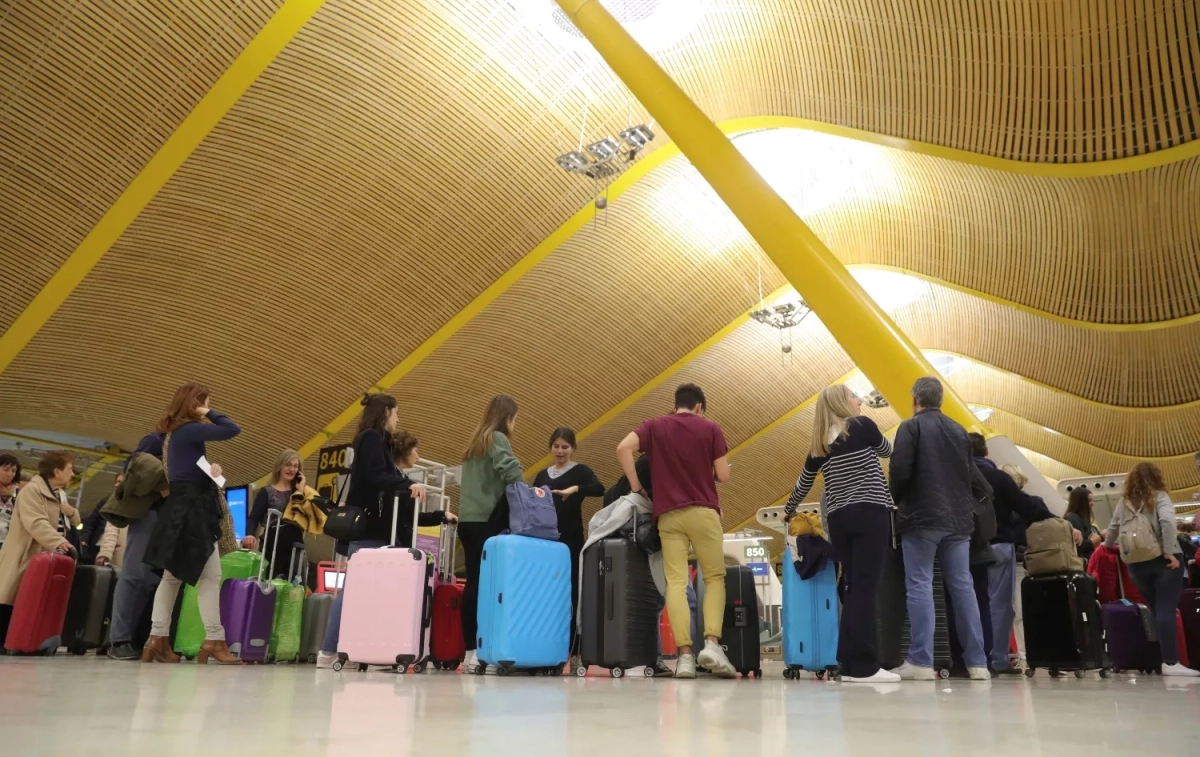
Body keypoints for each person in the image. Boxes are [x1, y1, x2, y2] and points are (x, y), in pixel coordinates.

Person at [316, 396, 455, 668]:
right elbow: (376, 476)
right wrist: (406, 486)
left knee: (362, 593)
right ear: (386, 412)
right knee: (352, 592)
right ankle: (328, 649)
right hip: (366, 529)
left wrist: (408, 488)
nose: (398, 418)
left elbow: (384, 478)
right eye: (396, 413)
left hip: (377, 531)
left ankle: (351, 648)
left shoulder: (376, 442)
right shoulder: (370, 438)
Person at [616, 383, 736, 679]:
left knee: (676, 583)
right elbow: (722, 474)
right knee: (714, 577)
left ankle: (683, 657)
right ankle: (711, 644)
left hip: (668, 516)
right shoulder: (711, 428)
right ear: (699, 407)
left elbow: (623, 448)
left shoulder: (655, 426)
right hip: (704, 513)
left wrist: (636, 487)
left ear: (676, 404)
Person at [783, 384, 899, 683]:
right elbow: (889, 452)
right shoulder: (861, 426)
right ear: (841, 403)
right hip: (869, 513)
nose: (859, 401)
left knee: (850, 588)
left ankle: (847, 663)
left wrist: (788, 509)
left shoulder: (819, 444)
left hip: (839, 519)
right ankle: (865, 667)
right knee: (865, 589)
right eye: (853, 397)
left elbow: (803, 482)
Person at [888, 377, 992, 681]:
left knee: (919, 584)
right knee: (963, 587)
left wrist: (897, 500)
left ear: (914, 400)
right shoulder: (959, 430)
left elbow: (900, 469)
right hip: (959, 521)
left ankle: (921, 661)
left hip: (922, 518)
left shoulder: (911, 427)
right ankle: (977, 663)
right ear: (941, 401)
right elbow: (973, 476)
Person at [141, 384, 241, 664]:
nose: (208, 406)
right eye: (206, 401)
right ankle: (214, 640)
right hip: (194, 511)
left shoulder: (174, 434)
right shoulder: (191, 429)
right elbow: (233, 429)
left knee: (171, 577)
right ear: (195, 404)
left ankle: (156, 639)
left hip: (177, 509)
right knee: (210, 577)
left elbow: (188, 471)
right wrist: (208, 411)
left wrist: (212, 470)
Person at [966, 436, 1060, 674]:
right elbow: (1025, 506)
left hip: (964, 547)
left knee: (968, 602)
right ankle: (995, 660)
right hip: (998, 545)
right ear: (986, 451)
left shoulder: (957, 476)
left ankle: (971, 658)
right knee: (998, 606)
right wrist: (1056, 520)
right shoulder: (999, 478)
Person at [1103, 462, 1199, 677]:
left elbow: (1113, 528)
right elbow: (1166, 521)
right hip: (1164, 560)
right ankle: (1172, 663)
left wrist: (1107, 546)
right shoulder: (1160, 496)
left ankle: (1158, 659)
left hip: (1135, 564)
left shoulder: (1124, 501)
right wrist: (1167, 551)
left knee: (1155, 610)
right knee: (1165, 609)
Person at [458, 395, 524, 673]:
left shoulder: (474, 443)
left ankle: (470, 651)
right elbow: (512, 472)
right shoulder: (497, 438)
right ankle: (485, 649)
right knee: (490, 586)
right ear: (508, 417)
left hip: (467, 521)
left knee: (472, 582)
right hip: (487, 521)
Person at [532, 427, 605, 672]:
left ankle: (575, 652)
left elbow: (599, 488)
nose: (560, 451)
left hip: (571, 541)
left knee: (572, 594)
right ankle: (545, 648)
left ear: (573, 448)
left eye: (565, 447)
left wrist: (575, 489)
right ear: (550, 448)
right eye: (556, 446)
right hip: (545, 543)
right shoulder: (542, 474)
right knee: (545, 594)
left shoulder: (581, 472)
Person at [0, 451, 78, 644]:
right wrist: (60, 542)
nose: (73, 473)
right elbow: (36, 522)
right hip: (24, 552)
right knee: (9, 596)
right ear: (57, 471)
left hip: (42, 554)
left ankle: (21, 639)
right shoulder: (33, 491)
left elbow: (69, 522)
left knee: (25, 599)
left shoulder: (57, 494)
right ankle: (3, 640)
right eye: (69, 469)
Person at [105, 434, 169, 660]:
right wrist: (163, 486)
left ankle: (144, 638)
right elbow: (134, 465)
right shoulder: (157, 440)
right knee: (134, 576)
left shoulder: (188, 444)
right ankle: (119, 640)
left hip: (171, 517)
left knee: (157, 580)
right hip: (149, 513)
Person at [244, 450, 309, 580]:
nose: (292, 469)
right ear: (280, 466)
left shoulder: (303, 492)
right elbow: (254, 517)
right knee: (270, 584)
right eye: (288, 465)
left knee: (294, 588)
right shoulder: (267, 492)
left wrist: (300, 489)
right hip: (272, 545)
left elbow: (305, 517)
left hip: (295, 546)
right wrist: (250, 534)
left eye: (296, 466)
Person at [1064, 487, 1102, 563]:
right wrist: (1093, 542)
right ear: (1081, 502)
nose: (1092, 503)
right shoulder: (1073, 518)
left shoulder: (1083, 518)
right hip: (1084, 563)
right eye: (1089, 501)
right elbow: (1078, 546)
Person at [0, 454, 20, 549]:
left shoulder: (18, 492)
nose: (9, 474)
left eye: (13, 471)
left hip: (8, 543)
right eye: (5, 469)